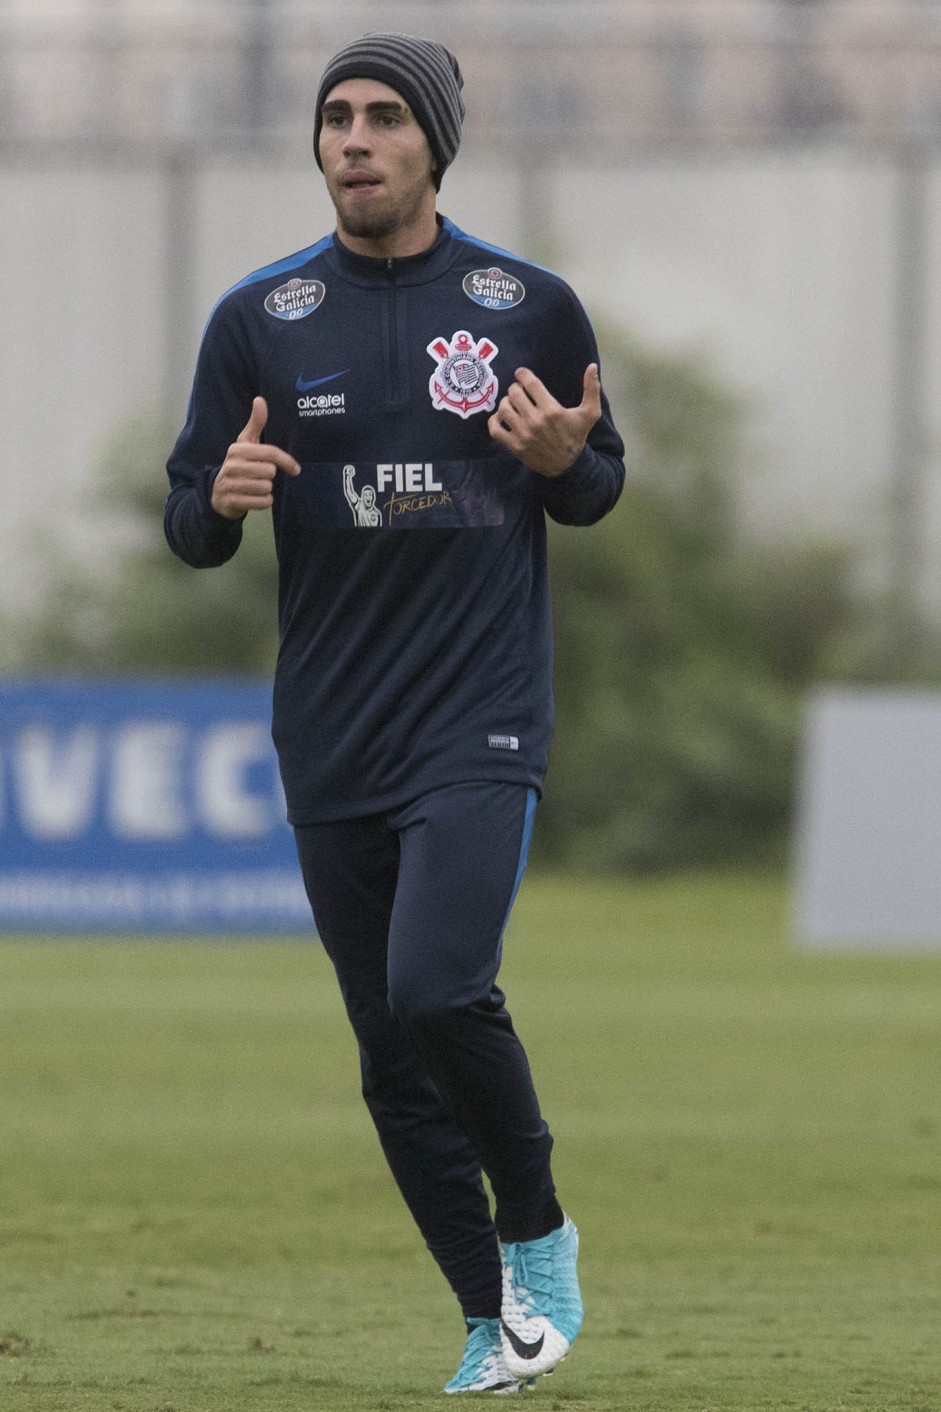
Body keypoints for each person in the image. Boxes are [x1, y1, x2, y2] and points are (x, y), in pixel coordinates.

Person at [164, 32, 625, 1396]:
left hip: (477, 713)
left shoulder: (525, 305)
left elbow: (595, 483)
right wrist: (223, 498)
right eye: (334, 118)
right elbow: (190, 524)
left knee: (437, 986)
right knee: (388, 1048)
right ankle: (494, 1322)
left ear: (433, 145)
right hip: (330, 729)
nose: (351, 139)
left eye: (380, 118)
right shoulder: (261, 319)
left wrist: (560, 461)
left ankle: (536, 1235)